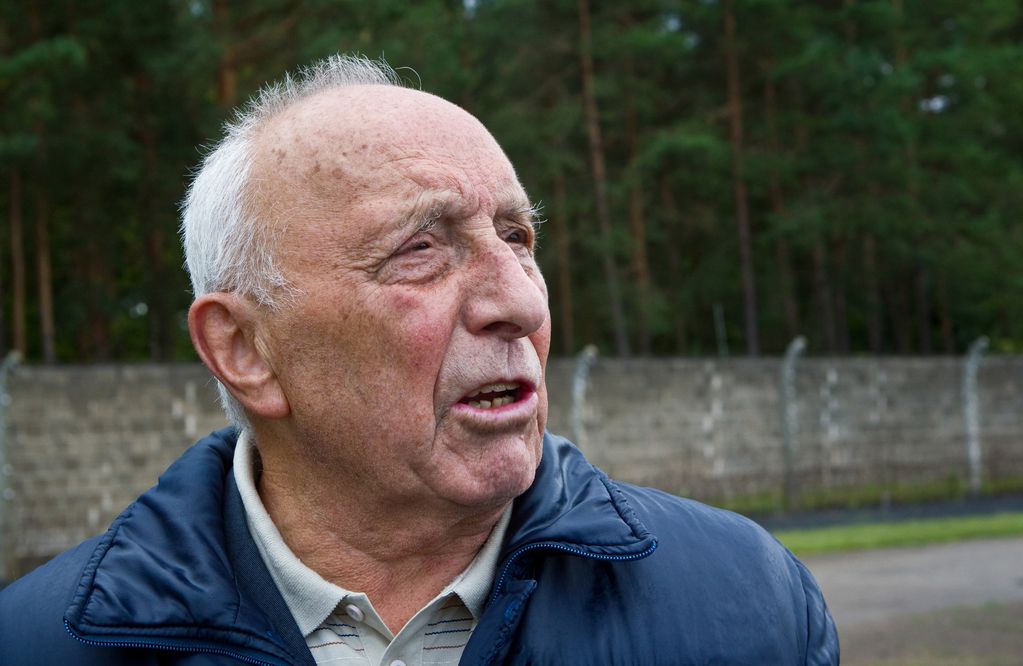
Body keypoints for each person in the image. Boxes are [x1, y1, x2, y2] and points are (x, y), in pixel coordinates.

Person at [0, 55, 839, 665]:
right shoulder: (47, 644)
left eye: (517, 237)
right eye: (420, 250)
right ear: (244, 349)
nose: (520, 301)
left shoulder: (747, 604)